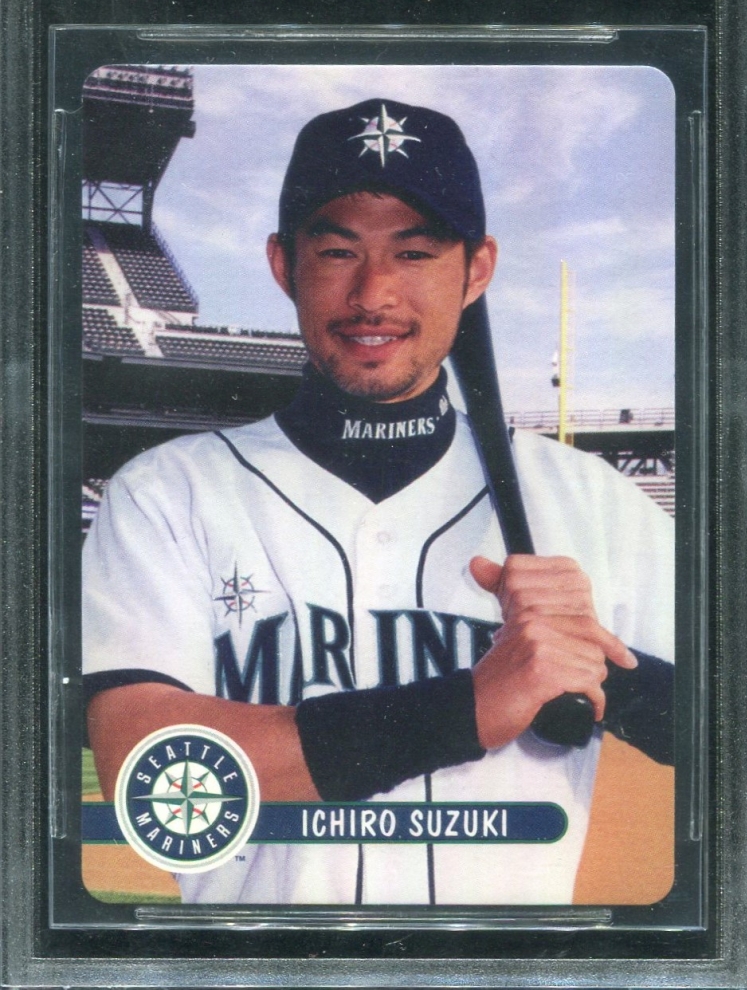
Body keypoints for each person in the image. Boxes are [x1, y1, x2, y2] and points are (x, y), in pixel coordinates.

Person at [83, 98, 674, 906]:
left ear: (477, 270)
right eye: (337, 250)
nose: (374, 293)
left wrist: (606, 670)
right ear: (283, 265)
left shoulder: (590, 502)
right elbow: (150, 779)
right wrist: (467, 706)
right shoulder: (166, 496)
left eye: (415, 252)